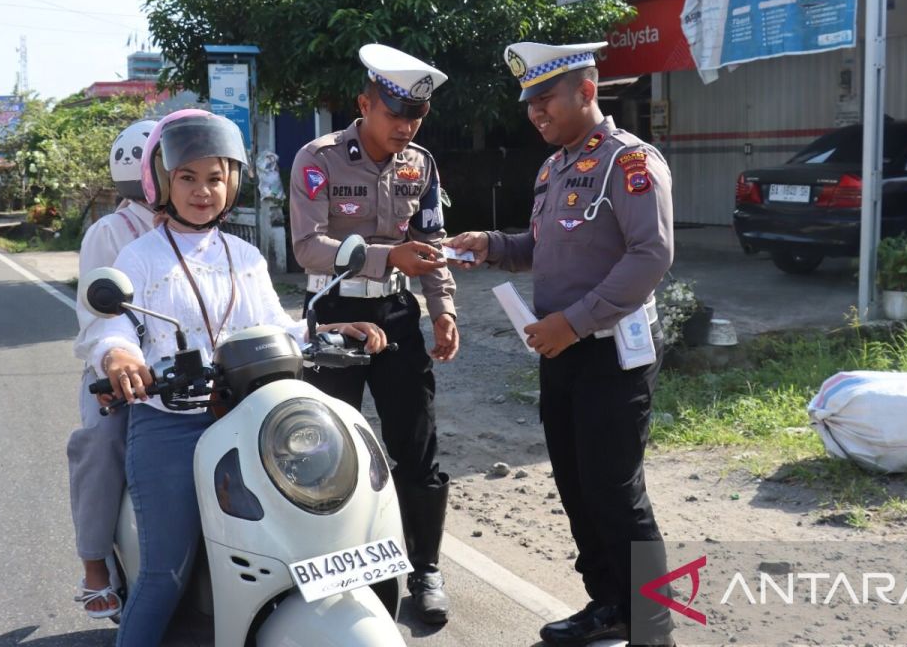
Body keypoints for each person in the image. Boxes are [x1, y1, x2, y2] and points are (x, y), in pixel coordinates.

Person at [84, 110, 385, 646]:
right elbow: (110, 327)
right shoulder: (140, 255)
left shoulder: (245, 255)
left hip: (249, 420)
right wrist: (119, 357)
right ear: (163, 182)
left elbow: (272, 325)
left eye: (215, 178)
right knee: (164, 574)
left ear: (233, 184)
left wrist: (328, 327)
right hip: (170, 425)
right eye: (188, 178)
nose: (203, 191)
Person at [447, 41, 676, 646]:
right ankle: (609, 605)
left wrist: (573, 322)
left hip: (610, 351)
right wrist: (492, 244)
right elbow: (546, 247)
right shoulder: (555, 167)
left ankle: (653, 625)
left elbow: (650, 255)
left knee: (615, 489)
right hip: (562, 350)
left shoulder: (629, 161)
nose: (535, 113)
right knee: (577, 484)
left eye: (546, 98)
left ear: (588, 91)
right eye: (530, 103)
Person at [288, 43, 459, 624]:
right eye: (395, 114)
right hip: (334, 314)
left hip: (396, 318)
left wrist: (443, 311)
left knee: (418, 447)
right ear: (365, 103)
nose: (406, 127)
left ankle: (425, 569)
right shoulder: (319, 158)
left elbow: (432, 246)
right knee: (331, 452)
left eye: (416, 116)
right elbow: (307, 246)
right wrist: (389, 258)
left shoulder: (422, 164)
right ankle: (335, 573)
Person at [66, 118, 155, 618]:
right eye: (178, 169)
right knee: (101, 443)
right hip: (121, 374)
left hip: (190, 372)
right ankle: (95, 564)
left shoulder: (202, 229)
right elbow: (97, 322)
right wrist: (114, 360)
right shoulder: (110, 233)